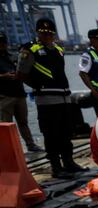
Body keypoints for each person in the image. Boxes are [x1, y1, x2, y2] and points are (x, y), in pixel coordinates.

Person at [17, 18, 84, 177]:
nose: (47, 36)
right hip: (46, 99)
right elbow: (21, 73)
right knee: (51, 134)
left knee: (66, 132)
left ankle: (69, 161)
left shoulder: (58, 49)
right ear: (38, 32)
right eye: (43, 33)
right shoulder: (30, 49)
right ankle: (56, 166)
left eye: (49, 33)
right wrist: (38, 86)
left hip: (63, 96)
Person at [0, 31, 42, 152]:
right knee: (6, 125)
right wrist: (4, 76)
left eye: (3, 42)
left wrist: (18, 75)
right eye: (0, 43)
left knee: (23, 122)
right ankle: (8, 149)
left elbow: (23, 70)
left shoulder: (13, 56)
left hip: (19, 94)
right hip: (5, 96)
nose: (2, 45)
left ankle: (30, 144)